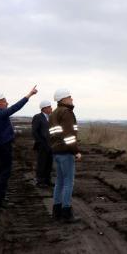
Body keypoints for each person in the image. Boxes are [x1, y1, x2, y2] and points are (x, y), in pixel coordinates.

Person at [0, 86, 38, 210]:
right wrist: (29, 95)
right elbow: (15, 107)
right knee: (4, 173)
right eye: (4, 101)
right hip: (3, 147)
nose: (7, 103)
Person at [49, 88, 82, 223]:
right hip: (66, 152)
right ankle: (66, 213)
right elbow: (69, 137)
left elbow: (53, 135)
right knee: (68, 182)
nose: (72, 99)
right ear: (63, 99)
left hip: (56, 151)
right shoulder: (67, 112)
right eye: (69, 97)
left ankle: (56, 212)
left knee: (59, 182)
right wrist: (76, 151)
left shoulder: (53, 113)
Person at [32, 100, 53, 188]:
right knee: (42, 163)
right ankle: (40, 181)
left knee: (49, 163)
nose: (51, 108)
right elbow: (35, 131)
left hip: (50, 145)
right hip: (42, 145)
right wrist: (40, 142)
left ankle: (47, 180)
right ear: (44, 108)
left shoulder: (51, 117)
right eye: (49, 107)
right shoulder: (38, 117)